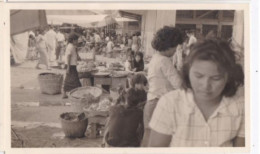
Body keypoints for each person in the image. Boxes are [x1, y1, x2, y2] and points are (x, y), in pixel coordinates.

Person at [148, 39, 245, 147]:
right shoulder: (170, 103)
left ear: (228, 77)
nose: (206, 85)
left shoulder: (240, 107)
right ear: (188, 72)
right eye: (198, 76)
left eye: (216, 78)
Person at [141, 26, 183, 147]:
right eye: (175, 47)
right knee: (159, 143)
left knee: (148, 139)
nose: (176, 50)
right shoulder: (165, 61)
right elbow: (178, 84)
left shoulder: (155, 58)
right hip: (159, 104)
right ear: (169, 45)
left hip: (150, 102)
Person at [62, 33, 82, 99]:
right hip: (70, 65)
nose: (77, 42)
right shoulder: (70, 46)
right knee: (74, 79)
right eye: (76, 40)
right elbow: (68, 56)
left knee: (71, 79)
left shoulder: (72, 46)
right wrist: (68, 67)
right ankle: (78, 93)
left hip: (72, 65)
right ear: (73, 40)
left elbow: (74, 55)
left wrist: (78, 56)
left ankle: (65, 93)